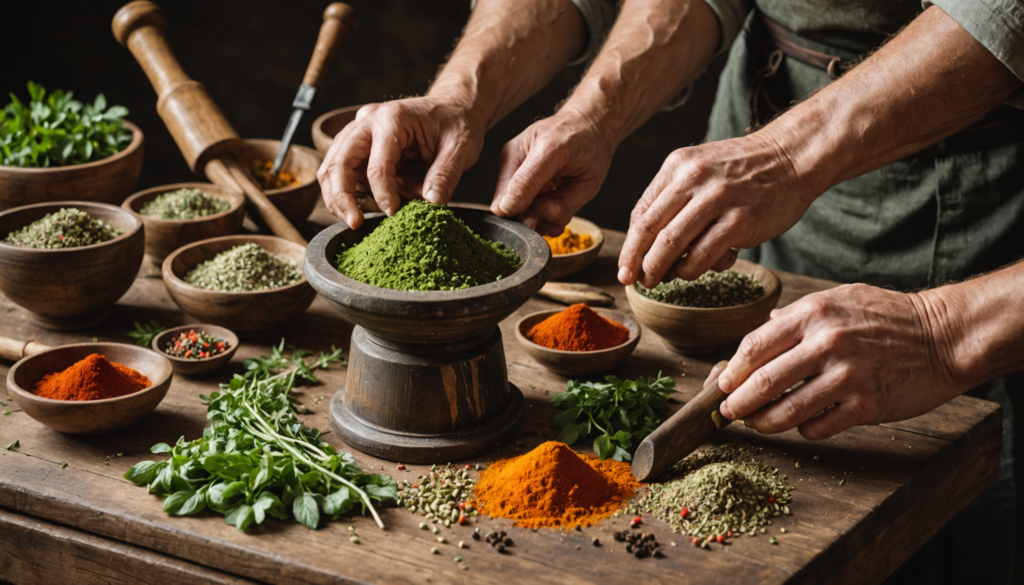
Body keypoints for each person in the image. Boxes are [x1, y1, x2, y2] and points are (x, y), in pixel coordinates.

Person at [318, 1, 1024, 580]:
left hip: (983, 197)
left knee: (971, 523)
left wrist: (938, 329)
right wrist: (569, 109)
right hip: (774, 124)